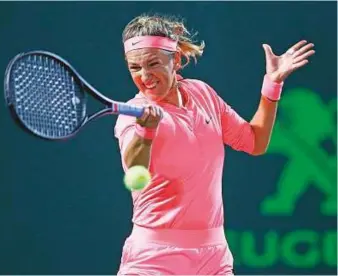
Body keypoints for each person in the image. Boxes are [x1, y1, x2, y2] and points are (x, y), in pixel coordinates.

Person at [114, 13, 315, 275]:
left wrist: (272, 85)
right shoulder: (134, 114)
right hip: (154, 259)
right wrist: (145, 131)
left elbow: (254, 142)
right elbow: (135, 169)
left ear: (175, 59)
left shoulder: (202, 93)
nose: (145, 75)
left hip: (213, 258)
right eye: (135, 67)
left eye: (153, 64)